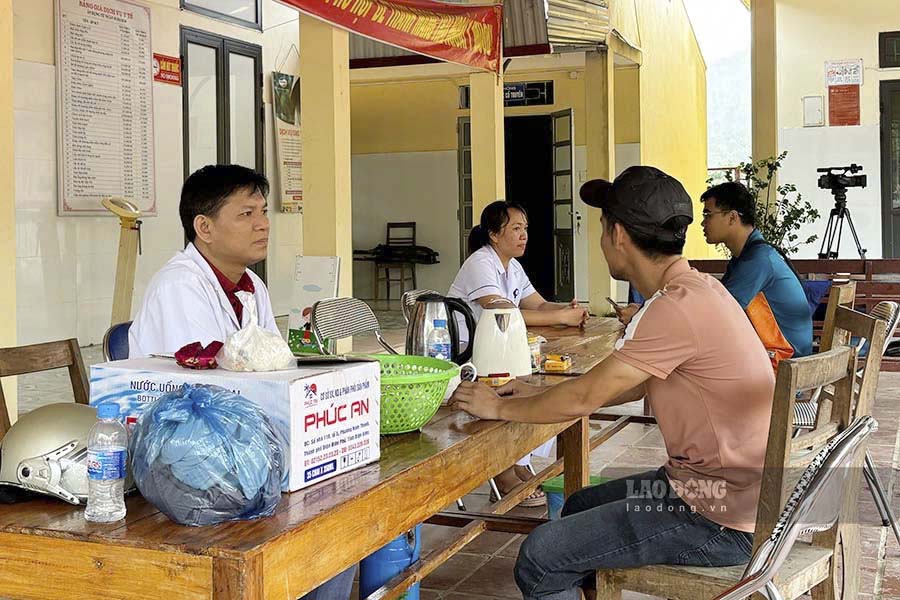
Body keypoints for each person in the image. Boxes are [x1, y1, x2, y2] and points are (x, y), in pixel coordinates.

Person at [450, 166, 776, 600]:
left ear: (618, 235)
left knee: (541, 557)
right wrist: (537, 392)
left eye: (602, 228)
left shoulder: (673, 308)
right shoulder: (695, 290)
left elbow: (587, 395)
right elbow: (629, 385)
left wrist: (500, 407)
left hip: (715, 515)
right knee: (580, 505)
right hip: (723, 492)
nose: (601, 240)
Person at [129, 164, 355, 600]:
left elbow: (268, 365)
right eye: (246, 213)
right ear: (204, 227)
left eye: (264, 212)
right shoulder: (181, 284)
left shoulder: (251, 284)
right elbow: (204, 391)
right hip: (184, 466)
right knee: (322, 526)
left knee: (339, 513)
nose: (263, 224)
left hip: (236, 449)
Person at [448, 200, 589, 506]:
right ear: (494, 235)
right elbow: (503, 312)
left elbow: (536, 304)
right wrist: (560, 319)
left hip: (496, 349)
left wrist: (568, 310)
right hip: (468, 357)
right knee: (510, 388)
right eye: (515, 229)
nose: (524, 235)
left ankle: (521, 460)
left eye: (525, 229)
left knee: (536, 384)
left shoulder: (512, 266)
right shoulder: (481, 263)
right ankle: (502, 468)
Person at [700, 181, 813, 369]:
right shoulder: (749, 255)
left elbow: (719, 313)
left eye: (708, 214)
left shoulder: (758, 260)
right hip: (782, 360)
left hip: (784, 366)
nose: (703, 222)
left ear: (732, 217)